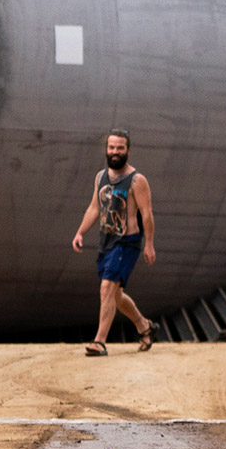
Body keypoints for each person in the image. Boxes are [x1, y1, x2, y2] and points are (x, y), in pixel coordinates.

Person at [69, 128, 155, 356]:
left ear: (128, 150)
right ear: (106, 149)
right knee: (115, 296)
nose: (115, 152)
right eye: (111, 147)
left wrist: (149, 245)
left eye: (120, 148)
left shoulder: (137, 180)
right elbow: (94, 208)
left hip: (128, 242)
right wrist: (80, 232)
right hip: (106, 241)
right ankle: (144, 326)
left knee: (106, 287)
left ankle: (99, 342)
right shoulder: (100, 177)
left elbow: (147, 214)